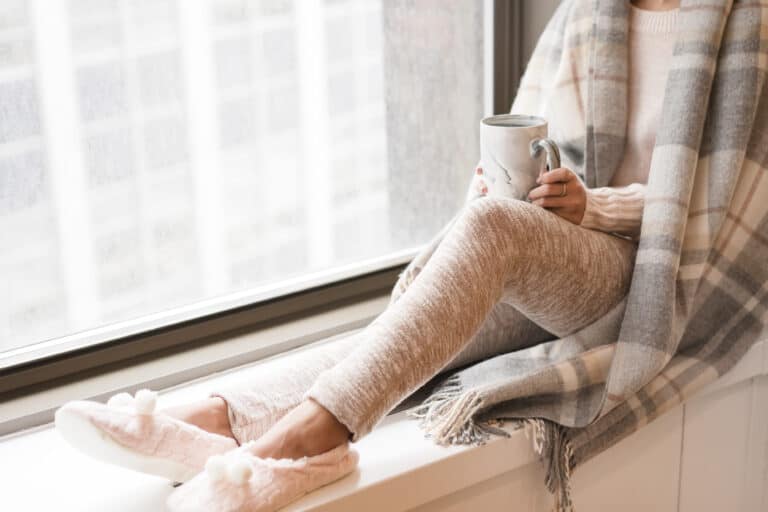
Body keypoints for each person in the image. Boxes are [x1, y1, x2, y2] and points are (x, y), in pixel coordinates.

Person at [55, 0, 682, 509]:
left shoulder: (743, 27)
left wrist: (593, 207)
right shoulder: (585, 13)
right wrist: (504, 187)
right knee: (405, 328)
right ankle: (220, 419)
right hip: (559, 252)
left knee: (493, 228)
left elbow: (710, 203)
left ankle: (315, 438)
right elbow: (535, 144)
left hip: (643, 269)